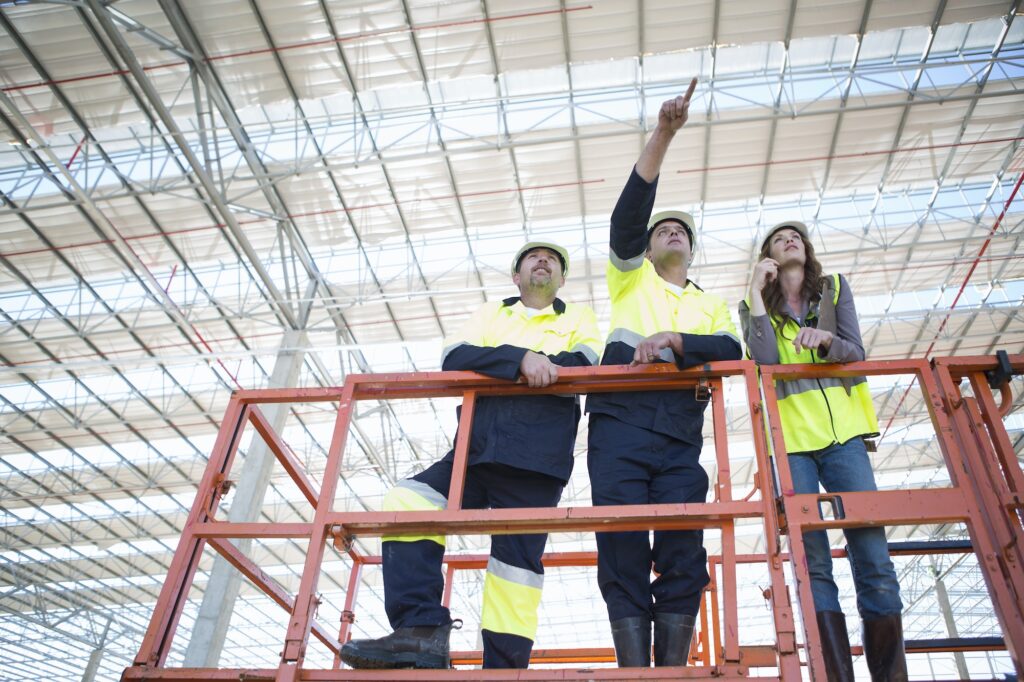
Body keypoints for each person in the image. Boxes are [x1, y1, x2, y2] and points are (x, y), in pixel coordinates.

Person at [339, 242, 601, 670]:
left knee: (515, 566)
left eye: (552, 260)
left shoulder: (579, 318)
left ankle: (504, 669)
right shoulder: (491, 313)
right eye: (532, 258)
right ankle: (420, 632)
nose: (543, 261)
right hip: (475, 449)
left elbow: (584, 360)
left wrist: (511, 364)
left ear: (562, 280)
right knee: (410, 499)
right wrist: (522, 359)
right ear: (516, 277)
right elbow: (454, 356)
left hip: (537, 454)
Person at [585, 78, 742, 668]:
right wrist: (664, 133)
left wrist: (677, 340)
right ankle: (635, 673)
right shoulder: (630, 279)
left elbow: (730, 349)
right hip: (619, 425)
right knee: (621, 544)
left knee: (684, 545)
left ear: (692, 252)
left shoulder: (710, 305)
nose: (671, 231)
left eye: (682, 231)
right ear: (646, 252)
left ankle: (671, 671)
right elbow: (628, 217)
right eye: (661, 231)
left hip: (680, 433)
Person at [739, 220, 907, 682]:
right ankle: (835, 676)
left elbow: (856, 349)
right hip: (791, 444)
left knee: (872, 556)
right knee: (812, 564)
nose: (789, 239)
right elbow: (765, 361)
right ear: (769, 257)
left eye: (795, 235)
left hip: (844, 439)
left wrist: (829, 341)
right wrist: (756, 291)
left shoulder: (833, 289)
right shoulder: (754, 307)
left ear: (806, 249)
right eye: (778, 238)